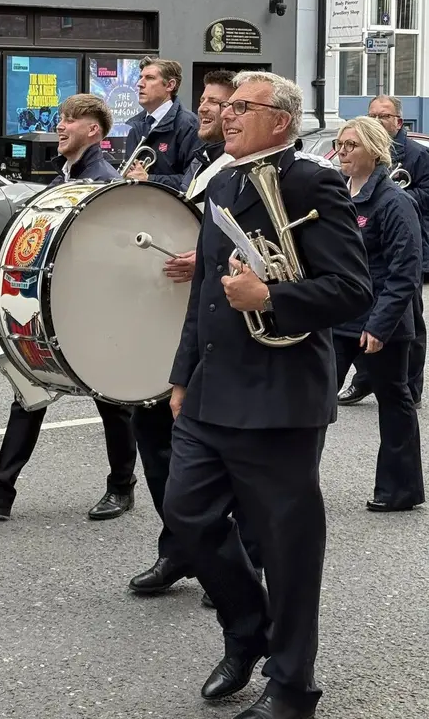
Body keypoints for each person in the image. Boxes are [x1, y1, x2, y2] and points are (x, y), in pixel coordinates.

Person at [162, 71, 372, 719]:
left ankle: (292, 687)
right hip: (211, 391)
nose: (224, 115)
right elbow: (202, 298)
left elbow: (352, 289)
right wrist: (180, 374)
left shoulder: (312, 181)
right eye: (225, 108)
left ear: (279, 120)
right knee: (186, 518)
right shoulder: (222, 181)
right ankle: (247, 632)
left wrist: (271, 298)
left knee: (288, 550)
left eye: (240, 108)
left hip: (281, 396)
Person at [0, 94, 138, 521]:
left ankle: (122, 487)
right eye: (61, 118)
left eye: (71, 120)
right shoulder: (65, 177)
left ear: (95, 131)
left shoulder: (100, 179)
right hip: (59, 304)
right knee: (29, 387)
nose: (61, 126)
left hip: (90, 306)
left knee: (113, 402)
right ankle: (0, 486)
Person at [129, 69, 263, 604]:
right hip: (184, 325)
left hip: (230, 331)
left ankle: (237, 560)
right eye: (206, 102)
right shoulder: (204, 163)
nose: (208, 110)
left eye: (221, 104)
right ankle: (183, 546)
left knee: (231, 456)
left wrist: (205, 258)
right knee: (155, 435)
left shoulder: (252, 172)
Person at [332, 117, 424, 512]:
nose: (342, 153)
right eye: (339, 145)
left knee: (394, 401)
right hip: (339, 318)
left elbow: (405, 272)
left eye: (350, 145)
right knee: (314, 400)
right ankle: (294, 484)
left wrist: (379, 325)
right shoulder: (338, 194)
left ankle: (400, 489)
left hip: (380, 322)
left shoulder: (394, 201)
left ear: (373, 149)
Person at [340, 95, 429, 408]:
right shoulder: (340, 187)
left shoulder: (415, 157)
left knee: (410, 323)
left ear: (398, 121)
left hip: (408, 246)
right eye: (373, 115)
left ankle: (411, 386)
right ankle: (365, 381)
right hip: (348, 307)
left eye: (384, 116)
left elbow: (403, 272)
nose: (342, 152)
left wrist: (400, 192)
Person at [124, 57, 201, 182]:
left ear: (170, 85)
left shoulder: (188, 125)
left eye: (150, 78)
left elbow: (194, 181)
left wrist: (149, 179)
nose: (140, 84)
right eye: (140, 77)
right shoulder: (136, 126)